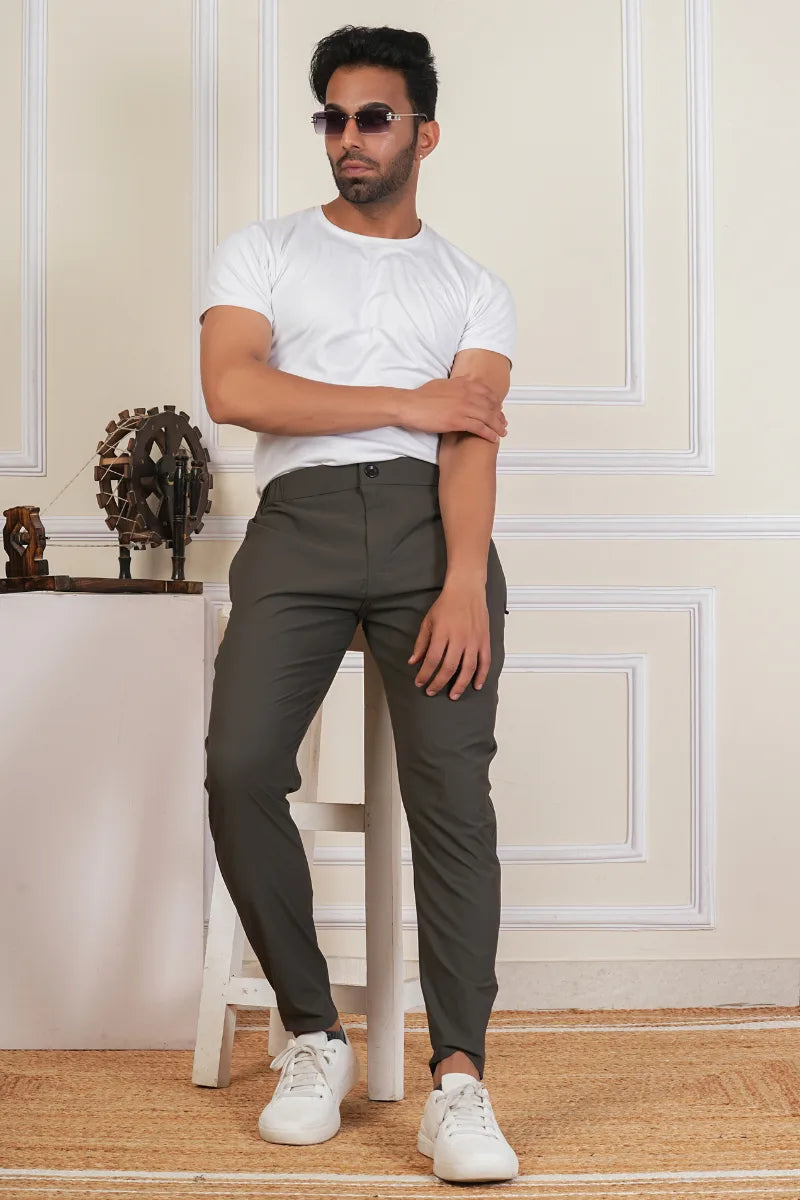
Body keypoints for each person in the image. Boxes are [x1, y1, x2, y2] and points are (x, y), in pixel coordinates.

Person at [199, 23, 519, 1185]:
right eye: (330, 118)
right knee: (238, 765)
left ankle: (459, 1084)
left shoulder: (473, 286)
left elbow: (470, 437)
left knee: (451, 795)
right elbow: (236, 387)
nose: (346, 138)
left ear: (422, 132)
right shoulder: (262, 253)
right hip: (299, 529)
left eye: (371, 117)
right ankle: (312, 1038)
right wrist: (406, 397)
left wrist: (463, 582)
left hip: (439, 530)